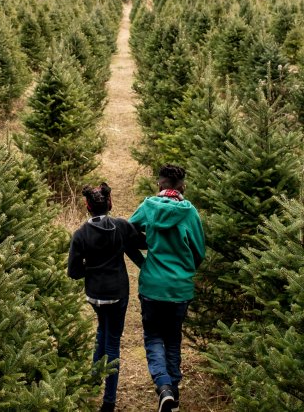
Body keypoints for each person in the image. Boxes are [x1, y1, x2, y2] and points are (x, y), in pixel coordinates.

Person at [129, 164, 205, 412]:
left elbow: (126, 235)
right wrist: (185, 270)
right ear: (182, 187)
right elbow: (199, 251)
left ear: (159, 184)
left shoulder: (148, 206)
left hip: (152, 286)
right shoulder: (189, 212)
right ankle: (174, 394)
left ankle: (163, 388)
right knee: (172, 339)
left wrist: (144, 263)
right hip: (179, 289)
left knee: (153, 337)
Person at [68, 183, 146, 412]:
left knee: (102, 330)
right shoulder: (120, 226)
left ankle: (93, 383)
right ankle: (108, 401)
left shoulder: (80, 234)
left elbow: (73, 272)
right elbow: (143, 243)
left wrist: (89, 270)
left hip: (95, 295)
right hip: (117, 294)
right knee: (112, 341)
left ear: (87, 206)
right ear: (110, 203)